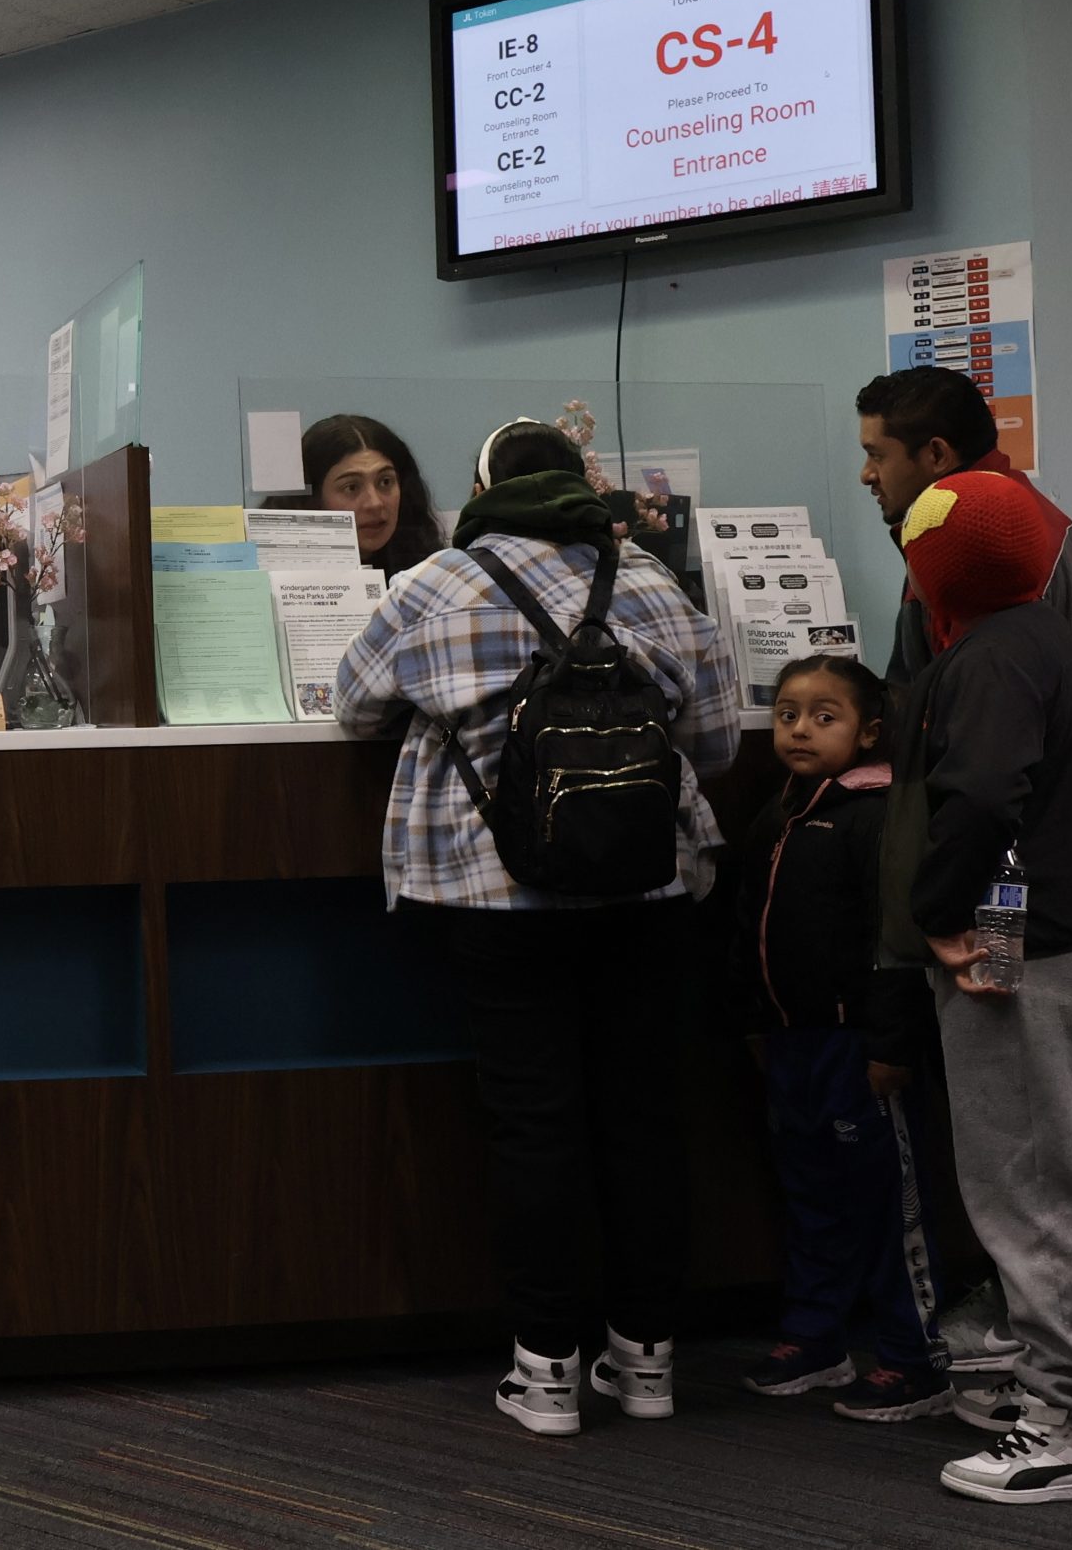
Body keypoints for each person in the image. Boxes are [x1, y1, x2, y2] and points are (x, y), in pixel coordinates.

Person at [333, 419, 736, 1438]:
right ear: (580, 486)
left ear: (482, 490)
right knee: (642, 1118)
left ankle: (545, 1370)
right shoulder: (647, 580)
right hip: (644, 893)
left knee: (533, 1123)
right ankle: (646, 1364)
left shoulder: (432, 583)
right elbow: (719, 740)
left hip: (495, 894)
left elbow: (347, 708)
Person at [853, 364, 1072, 1374]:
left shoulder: (996, 571)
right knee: (1057, 1135)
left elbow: (989, 791)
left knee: (1026, 1149)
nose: (865, 476)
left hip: (1016, 894)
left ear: (933, 465)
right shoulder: (1012, 544)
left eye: (875, 454)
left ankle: (1062, 1390)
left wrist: (942, 915)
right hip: (1058, 890)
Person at [727, 655, 950, 1424]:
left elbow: (895, 945)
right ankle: (816, 1337)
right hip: (793, 1043)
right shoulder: (777, 811)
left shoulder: (875, 815)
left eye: (825, 716)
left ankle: (913, 1356)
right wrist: (758, 1020)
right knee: (810, 1193)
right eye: (788, 712)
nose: (799, 728)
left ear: (869, 732)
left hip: (860, 1047)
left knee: (888, 1201)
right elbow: (751, 923)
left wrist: (892, 1044)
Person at [291, 414, 446, 576]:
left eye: (385, 482)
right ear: (313, 500)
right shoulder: (276, 584)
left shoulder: (436, 576)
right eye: (351, 487)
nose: (374, 503)